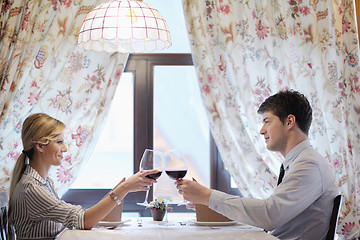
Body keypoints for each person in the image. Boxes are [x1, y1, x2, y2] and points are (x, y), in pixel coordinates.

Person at [176, 90, 338, 240]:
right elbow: (273, 213)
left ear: (289, 121)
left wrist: (207, 196)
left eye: (267, 121)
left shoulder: (308, 165)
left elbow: (270, 215)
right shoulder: (299, 162)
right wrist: (208, 203)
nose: (261, 130)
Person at [8, 113, 159, 240]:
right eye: (59, 142)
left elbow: (71, 218)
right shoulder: (31, 188)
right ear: (40, 146)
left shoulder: (43, 182)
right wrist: (124, 188)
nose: (65, 148)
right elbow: (84, 220)